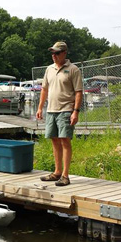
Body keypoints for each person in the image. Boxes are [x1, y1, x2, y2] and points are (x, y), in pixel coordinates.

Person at [36, 41, 83, 186]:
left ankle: (65, 175)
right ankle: (57, 172)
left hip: (66, 110)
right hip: (51, 110)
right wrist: (40, 108)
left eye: (57, 53)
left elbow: (78, 92)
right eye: (52, 53)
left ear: (64, 53)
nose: (54, 56)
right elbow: (44, 89)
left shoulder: (73, 69)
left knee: (65, 140)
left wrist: (75, 111)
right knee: (54, 140)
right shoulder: (49, 69)